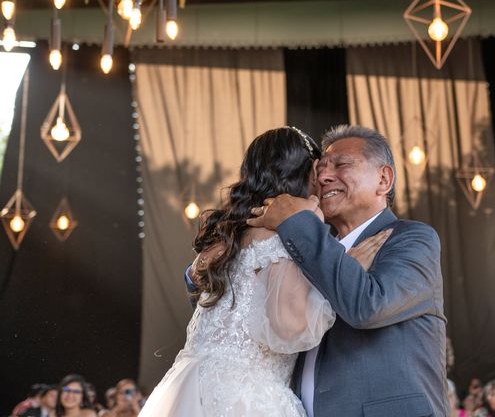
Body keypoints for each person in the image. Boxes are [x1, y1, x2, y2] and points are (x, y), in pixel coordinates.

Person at [141, 127, 386, 416]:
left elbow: (200, 282)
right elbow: (289, 328)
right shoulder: (285, 232)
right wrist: (347, 268)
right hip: (246, 398)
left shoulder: (231, 233)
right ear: (304, 175)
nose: (322, 181)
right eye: (317, 171)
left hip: (192, 387)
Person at [247, 124, 448, 416]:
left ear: (384, 179)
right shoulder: (308, 247)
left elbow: (368, 306)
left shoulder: (412, 239)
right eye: (319, 170)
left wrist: (296, 220)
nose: (324, 177)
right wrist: (204, 272)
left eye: (341, 165)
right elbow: (254, 309)